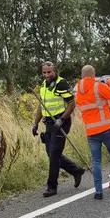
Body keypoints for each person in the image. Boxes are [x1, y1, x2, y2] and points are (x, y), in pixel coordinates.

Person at [31, 61, 85, 197]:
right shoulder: (44, 85)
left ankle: (51, 186)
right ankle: (76, 170)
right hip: (49, 123)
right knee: (51, 153)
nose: (47, 75)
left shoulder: (61, 84)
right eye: (44, 72)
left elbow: (72, 104)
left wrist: (62, 119)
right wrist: (35, 123)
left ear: (54, 71)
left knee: (54, 154)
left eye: (49, 72)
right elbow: (41, 106)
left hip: (62, 122)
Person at [74, 65, 110, 200]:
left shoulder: (78, 92)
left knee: (96, 161)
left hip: (91, 131)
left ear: (81, 76)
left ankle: (98, 191)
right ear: (94, 74)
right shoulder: (99, 86)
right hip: (106, 128)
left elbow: (89, 107)